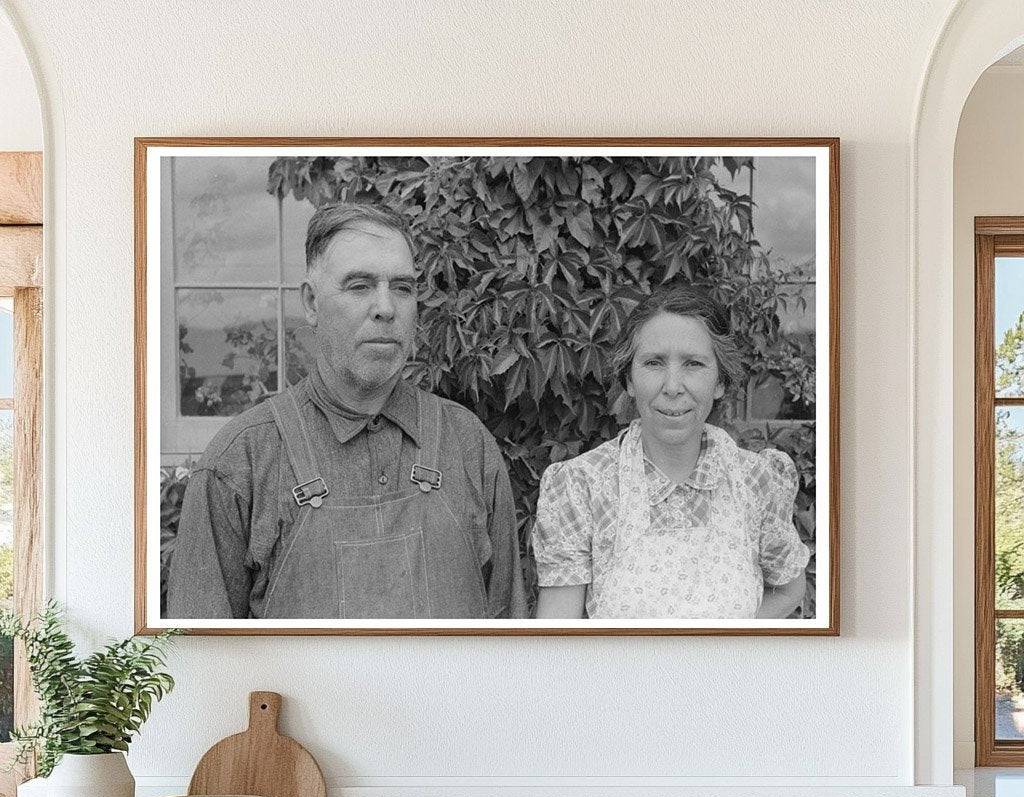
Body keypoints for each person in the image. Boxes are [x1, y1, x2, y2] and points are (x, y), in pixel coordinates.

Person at [168, 202, 526, 620]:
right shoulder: (240, 460)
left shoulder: (466, 442)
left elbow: (509, 644)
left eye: (403, 288)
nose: (386, 307)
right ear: (311, 303)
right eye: (359, 286)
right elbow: (199, 661)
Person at [531, 284, 809, 620]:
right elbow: (559, 636)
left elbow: (790, 591)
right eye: (653, 363)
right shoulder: (582, 487)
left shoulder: (757, 481)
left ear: (720, 381)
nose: (673, 387)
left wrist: (727, 644)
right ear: (629, 380)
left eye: (693, 364)